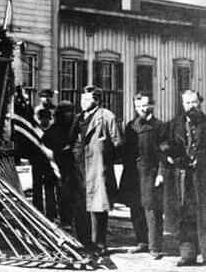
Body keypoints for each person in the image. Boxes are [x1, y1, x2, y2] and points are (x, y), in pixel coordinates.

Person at [70, 85, 123, 255]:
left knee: (98, 207)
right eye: (82, 99)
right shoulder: (78, 118)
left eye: (87, 99)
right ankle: (83, 242)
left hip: (98, 168)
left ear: (97, 100)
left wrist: (104, 156)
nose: (83, 103)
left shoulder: (107, 117)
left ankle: (99, 244)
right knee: (81, 206)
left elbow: (118, 143)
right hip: (79, 168)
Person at [117, 93, 165, 259]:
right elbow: (124, 150)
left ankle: (155, 246)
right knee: (135, 208)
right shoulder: (131, 125)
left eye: (145, 105)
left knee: (152, 210)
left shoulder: (160, 126)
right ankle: (142, 242)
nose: (142, 109)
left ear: (151, 105)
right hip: (132, 173)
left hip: (150, 173)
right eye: (138, 106)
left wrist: (161, 173)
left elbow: (164, 154)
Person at [161, 90, 206, 267]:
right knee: (185, 213)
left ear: (200, 103)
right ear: (182, 104)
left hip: (203, 177)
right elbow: (163, 144)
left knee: (204, 214)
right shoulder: (174, 124)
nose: (191, 106)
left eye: (194, 102)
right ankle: (188, 255)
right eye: (187, 103)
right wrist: (172, 156)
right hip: (183, 177)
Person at [45, 101, 76, 228]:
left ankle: (72, 219)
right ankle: (65, 220)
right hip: (60, 165)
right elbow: (47, 143)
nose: (69, 115)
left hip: (74, 164)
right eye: (66, 112)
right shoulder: (54, 129)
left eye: (70, 111)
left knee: (73, 193)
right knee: (63, 193)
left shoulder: (74, 126)